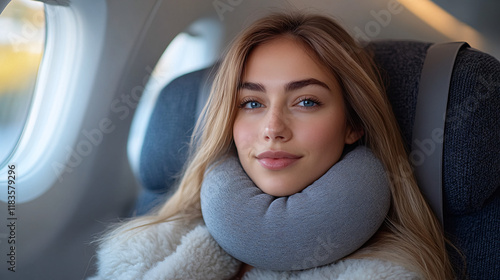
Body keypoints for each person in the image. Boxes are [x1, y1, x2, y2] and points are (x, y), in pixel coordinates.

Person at [90, 11, 456, 280]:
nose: (273, 128)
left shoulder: (389, 274)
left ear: (353, 124)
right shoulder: (142, 253)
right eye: (252, 103)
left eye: (306, 101)